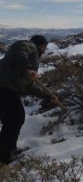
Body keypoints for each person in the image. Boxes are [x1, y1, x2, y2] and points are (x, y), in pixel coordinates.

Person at [0, 35, 59, 164]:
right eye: (44, 47)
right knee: (13, 120)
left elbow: (30, 86)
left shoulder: (32, 61)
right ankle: (3, 158)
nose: (44, 50)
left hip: (8, 88)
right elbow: (21, 50)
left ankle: (8, 149)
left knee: (17, 119)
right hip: (3, 86)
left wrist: (48, 96)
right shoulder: (29, 46)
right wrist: (27, 67)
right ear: (41, 45)